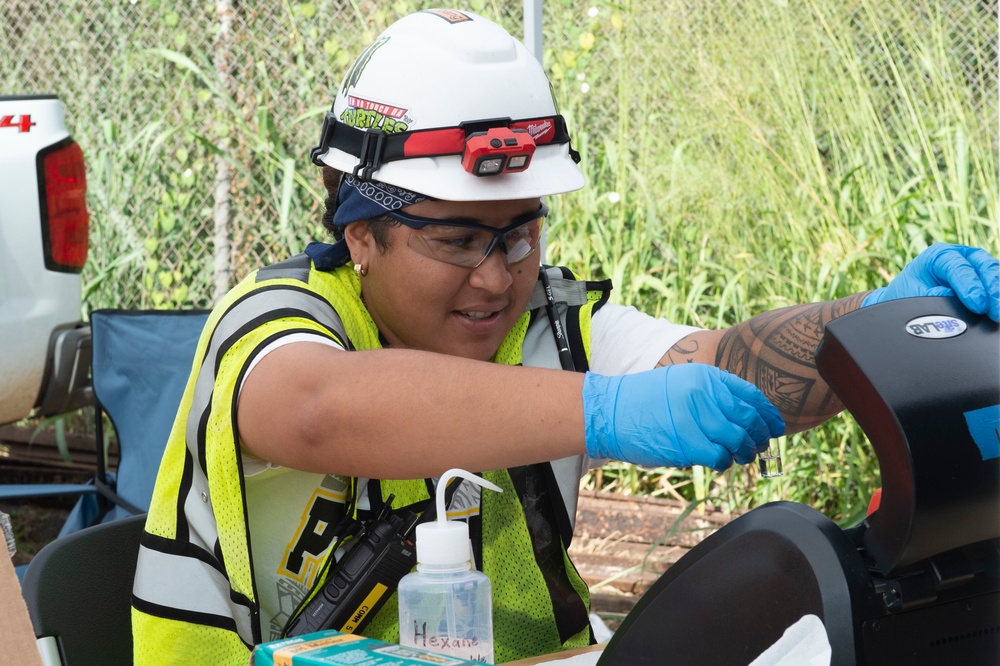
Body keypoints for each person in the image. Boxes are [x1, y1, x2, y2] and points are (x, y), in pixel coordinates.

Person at [130, 9, 999, 665]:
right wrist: (605, 409)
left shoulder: (548, 325)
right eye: (459, 238)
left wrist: (883, 323)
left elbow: (724, 365)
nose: (498, 275)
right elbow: (316, 409)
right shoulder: (278, 321)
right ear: (362, 233)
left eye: (519, 231)